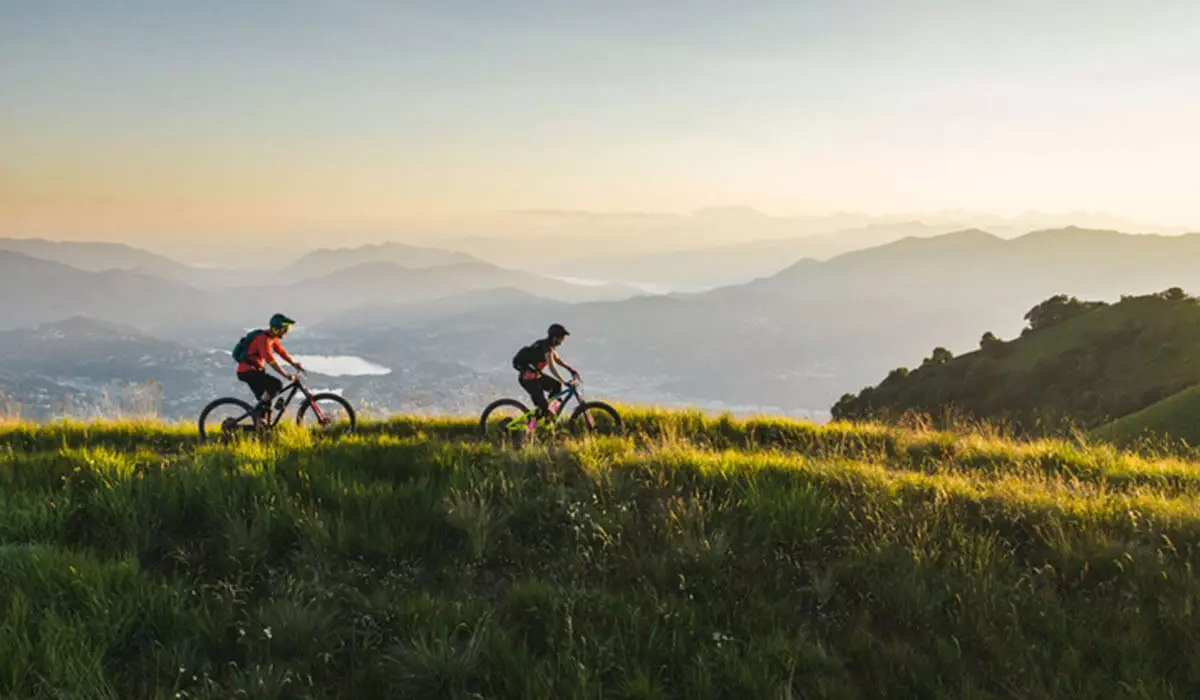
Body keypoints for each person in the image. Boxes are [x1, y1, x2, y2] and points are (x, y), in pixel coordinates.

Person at [236, 313, 305, 423]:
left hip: (254, 371)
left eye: (288, 328)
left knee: (266, 400)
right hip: (248, 372)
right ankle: (259, 416)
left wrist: (293, 363)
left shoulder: (272, 338)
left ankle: (262, 426)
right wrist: (286, 375)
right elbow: (271, 361)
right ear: (276, 329)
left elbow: (281, 352)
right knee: (276, 384)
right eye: (285, 329)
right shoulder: (263, 339)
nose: (287, 331)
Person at [512, 323, 580, 420]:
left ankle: (548, 417)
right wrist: (563, 381)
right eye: (561, 337)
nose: (563, 340)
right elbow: (552, 367)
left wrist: (570, 369)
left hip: (537, 377)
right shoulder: (546, 348)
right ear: (554, 337)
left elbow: (557, 360)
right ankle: (531, 428)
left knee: (556, 386)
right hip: (528, 380)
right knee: (543, 406)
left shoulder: (549, 347)